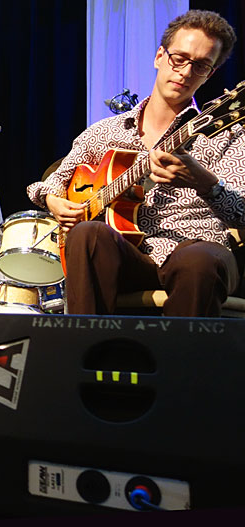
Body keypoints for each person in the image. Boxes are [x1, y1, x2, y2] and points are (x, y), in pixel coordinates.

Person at [27, 10, 244, 317]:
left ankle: (181, 363)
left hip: (198, 250)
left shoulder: (226, 134)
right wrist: (53, 200)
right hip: (127, 257)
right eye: (178, 58)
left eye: (200, 66)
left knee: (199, 262)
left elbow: (243, 213)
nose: (184, 72)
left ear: (209, 75)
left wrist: (205, 183)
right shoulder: (105, 132)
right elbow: (51, 182)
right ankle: (86, 355)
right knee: (87, 234)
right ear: (159, 56)